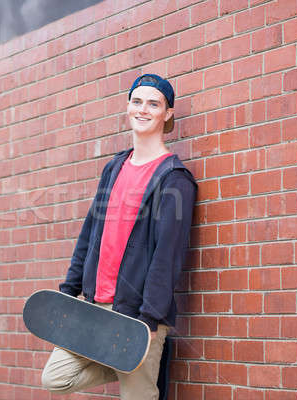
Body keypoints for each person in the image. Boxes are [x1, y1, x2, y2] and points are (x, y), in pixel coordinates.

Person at [41, 74, 197, 400]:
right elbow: (89, 233)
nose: (143, 110)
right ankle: (125, 360)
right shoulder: (114, 167)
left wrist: (150, 321)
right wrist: (69, 292)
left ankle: (141, 359)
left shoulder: (174, 178)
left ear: (167, 114)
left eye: (154, 103)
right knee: (55, 377)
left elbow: (167, 256)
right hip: (95, 310)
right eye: (137, 101)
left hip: (138, 317)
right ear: (128, 106)